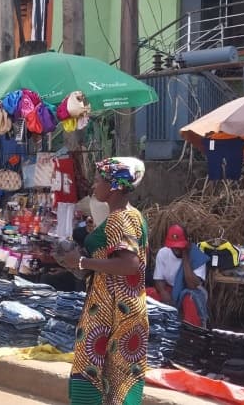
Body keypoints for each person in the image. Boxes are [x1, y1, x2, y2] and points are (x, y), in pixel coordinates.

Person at [60, 157, 148, 405]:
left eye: (98, 180)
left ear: (114, 186)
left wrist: (81, 263)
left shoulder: (122, 218)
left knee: (101, 373)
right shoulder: (128, 216)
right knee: (114, 376)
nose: (94, 186)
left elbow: (129, 264)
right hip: (116, 305)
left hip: (113, 309)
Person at [150, 224, 210, 327]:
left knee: (190, 300)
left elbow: (192, 285)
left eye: (180, 245)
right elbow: (158, 278)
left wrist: (185, 257)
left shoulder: (196, 256)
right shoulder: (163, 253)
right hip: (169, 288)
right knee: (150, 294)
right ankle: (154, 329)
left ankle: (191, 332)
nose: (176, 249)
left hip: (190, 290)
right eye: (173, 246)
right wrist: (163, 291)